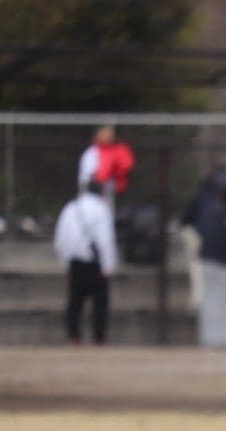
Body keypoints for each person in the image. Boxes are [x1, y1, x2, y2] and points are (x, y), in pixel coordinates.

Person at [53, 179, 119, 346]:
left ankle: (73, 337)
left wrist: (64, 260)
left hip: (76, 262)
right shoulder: (102, 210)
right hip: (95, 264)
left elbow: (61, 237)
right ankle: (99, 337)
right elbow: (106, 240)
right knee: (100, 304)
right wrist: (108, 265)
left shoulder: (71, 208)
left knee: (75, 302)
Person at [184, 164, 226, 348]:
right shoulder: (216, 207)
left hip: (212, 256)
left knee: (216, 296)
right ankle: (219, 338)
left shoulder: (218, 208)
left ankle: (217, 338)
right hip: (212, 255)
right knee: (214, 296)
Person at [76, 125, 134, 212]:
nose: (110, 136)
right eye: (106, 133)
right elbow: (90, 179)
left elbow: (126, 167)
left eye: (111, 133)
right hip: (90, 194)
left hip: (106, 193)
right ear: (98, 134)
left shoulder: (115, 151)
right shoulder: (92, 152)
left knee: (106, 217)